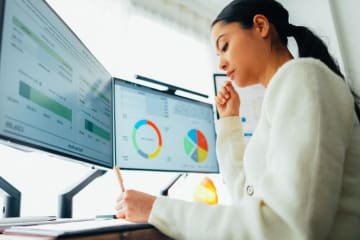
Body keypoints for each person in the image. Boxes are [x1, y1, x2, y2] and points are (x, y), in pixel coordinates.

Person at [115, 0, 360, 239]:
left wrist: (157, 209)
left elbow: (285, 226)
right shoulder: (283, 94)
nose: (221, 62)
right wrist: (229, 121)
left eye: (225, 46)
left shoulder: (303, 77)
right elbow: (248, 196)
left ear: (261, 26)